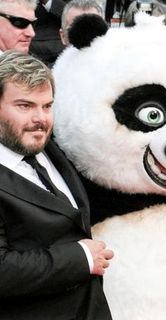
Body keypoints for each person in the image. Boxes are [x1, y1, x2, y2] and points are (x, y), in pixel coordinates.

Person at [0, 50, 114, 319]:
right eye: (25, 106)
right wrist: (81, 259)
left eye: (47, 106)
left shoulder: (51, 148)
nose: (41, 118)